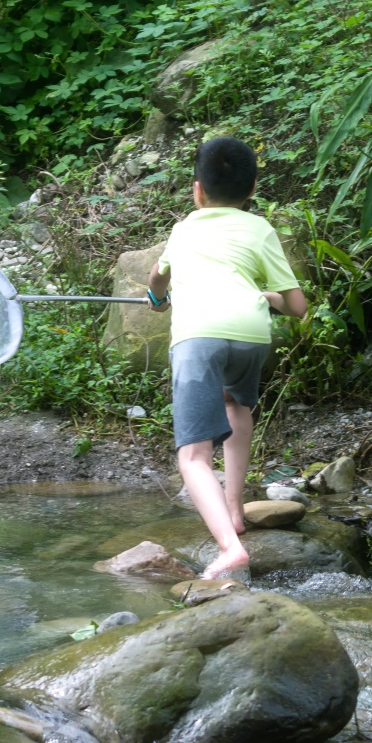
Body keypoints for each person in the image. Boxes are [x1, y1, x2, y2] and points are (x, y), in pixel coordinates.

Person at [146, 136, 307, 582]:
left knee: (193, 456)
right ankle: (234, 509)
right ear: (253, 188)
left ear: (197, 190)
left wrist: (156, 299)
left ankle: (229, 546)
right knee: (236, 403)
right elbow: (297, 307)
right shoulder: (261, 230)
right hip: (251, 335)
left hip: (199, 338)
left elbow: (158, 279)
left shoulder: (183, 229)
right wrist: (265, 296)